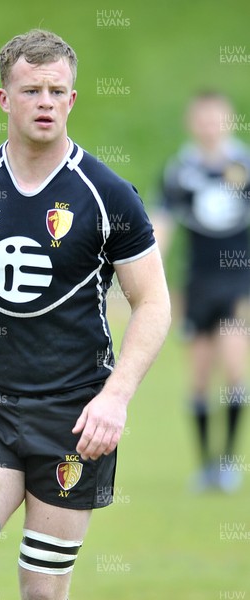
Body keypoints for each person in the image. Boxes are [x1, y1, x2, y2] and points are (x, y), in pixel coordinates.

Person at [0, 29, 171, 600]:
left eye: (56, 90)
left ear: (72, 100)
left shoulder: (107, 193)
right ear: (5, 99)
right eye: (31, 90)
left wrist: (116, 396)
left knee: (42, 590)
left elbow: (153, 302)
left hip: (76, 419)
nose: (45, 101)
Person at [153, 91, 250, 493]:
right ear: (192, 122)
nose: (210, 124)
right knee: (198, 377)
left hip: (239, 282)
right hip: (197, 283)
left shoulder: (244, 164)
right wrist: (149, 271)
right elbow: (162, 224)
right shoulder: (180, 170)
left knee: (233, 368)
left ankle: (228, 463)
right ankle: (206, 465)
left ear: (228, 121)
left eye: (217, 118)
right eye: (203, 118)